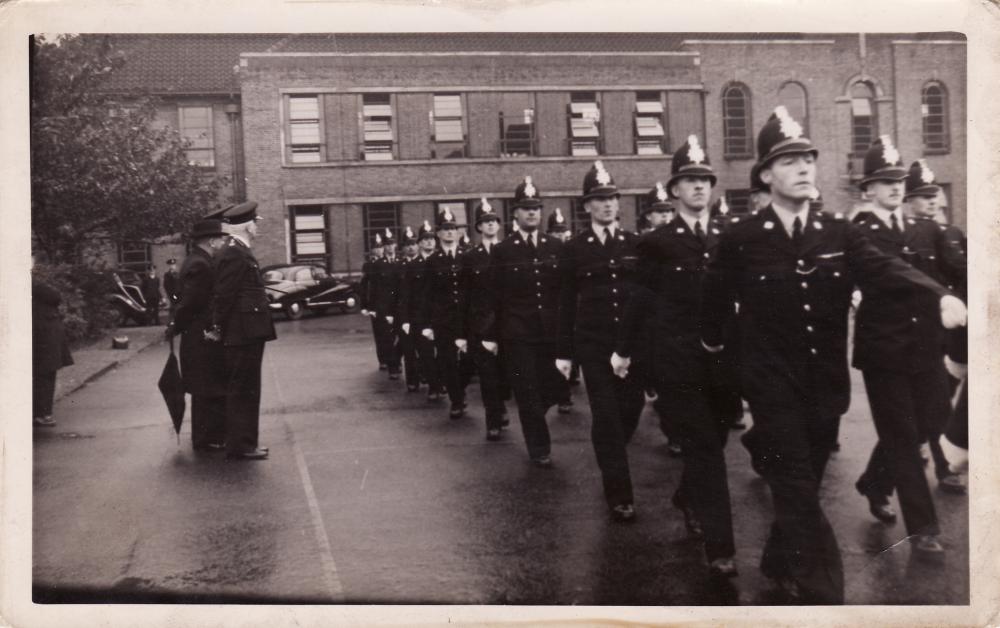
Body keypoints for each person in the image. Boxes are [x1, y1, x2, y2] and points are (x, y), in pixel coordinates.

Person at [700, 106, 967, 603]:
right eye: (788, 161)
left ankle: (779, 562)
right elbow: (713, 306)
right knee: (798, 486)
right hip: (769, 384)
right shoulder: (741, 237)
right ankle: (824, 595)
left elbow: (885, 269)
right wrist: (722, 362)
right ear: (764, 174)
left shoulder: (838, 233)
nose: (803, 168)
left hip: (824, 386)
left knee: (804, 480)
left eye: (808, 159)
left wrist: (940, 295)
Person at [612, 137, 740, 576]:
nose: (699, 188)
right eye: (690, 181)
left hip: (723, 362)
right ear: (676, 189)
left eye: (705, 180)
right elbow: (640, 301)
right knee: (706, 449)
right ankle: (721, 548)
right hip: (678, 362)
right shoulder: (658, 243)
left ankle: (688, 495)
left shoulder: (729, 238)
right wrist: (624, 351)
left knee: (719, 436)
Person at [851, 141, 969, 545]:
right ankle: (924, 529)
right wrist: (941, 296)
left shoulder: (925, 230)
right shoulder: (860, 233)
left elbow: (955, 269)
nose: (896, 188)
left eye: (899, 181)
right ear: (868, 189)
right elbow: (893, 273)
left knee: (932, 421)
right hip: (884, 349)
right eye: (885, 182)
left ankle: (872, 480)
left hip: (925, 345)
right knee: (902, 435)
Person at [556, 161, 644, 522]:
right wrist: (564, 352)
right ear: (587, 205)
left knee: (631, 410)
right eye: (599, 199)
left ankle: (610, 451)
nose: (607, 205)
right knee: (606, 416)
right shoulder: (575, 249)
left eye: (612, 198)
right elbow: (564, 302)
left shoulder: (635, 244)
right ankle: (620, 494)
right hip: (593, 344)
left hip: (632, 344)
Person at [479, 176, 564, 467]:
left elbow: (563, 291)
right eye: (526, 208)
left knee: (552, 388)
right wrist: (490, 334)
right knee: (527, 391)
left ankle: (535, 415)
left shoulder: (555, 246)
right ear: (515, 213)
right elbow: (493, 295)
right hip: (518, 333)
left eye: (536, 208)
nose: (532, 213)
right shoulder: (504, 250)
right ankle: (539, 448)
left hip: (550, 331)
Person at [207, 201, 277, 461]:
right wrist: (217, 327)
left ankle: (246, 442)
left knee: (246, 388)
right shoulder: (236, 253)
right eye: (255, 222)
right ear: (247, 225)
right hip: (242, 332)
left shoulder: (237, 251)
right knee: (243, 389)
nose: (258, 226)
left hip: (247, 330)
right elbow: (224, 294)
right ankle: (242, 445)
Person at [166, 220, 228, 451]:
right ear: (211, 241)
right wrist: (177, 326)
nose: (222, 243)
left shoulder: (196, 260)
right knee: (206, 386)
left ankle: (208, 437)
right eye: (220, 239)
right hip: (200, 335)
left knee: (204, 386)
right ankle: (207, 439)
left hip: (195, 333)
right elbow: (190, 302)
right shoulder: (201, 264)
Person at [457, 198, 509, 440]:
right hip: (481, 324)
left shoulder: (509, 251)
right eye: (485, 222)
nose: (490, 225)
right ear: (478, 227)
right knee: (488, 376)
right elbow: (465, 296)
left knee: (505, 373)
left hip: (507, 323)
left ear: (498, 225)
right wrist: (463, 333)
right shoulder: (470, 257)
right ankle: (493, 421)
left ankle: (501, 407)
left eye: (493, 221)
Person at [420, 207, 468, 419]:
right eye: (445, 229)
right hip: (443, 319)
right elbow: (427, 295)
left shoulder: (467, 257)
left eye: (453, 228)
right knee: (448, 361)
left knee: (469, 361)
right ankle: (456, 401)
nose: (449, 232)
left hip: (466, 317)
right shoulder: (432, 262)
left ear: (458, 232)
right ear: (438, 234)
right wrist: (428, 324)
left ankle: (461, 388)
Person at [399, 221, 445, 401]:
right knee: (426, 354)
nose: (429, 243)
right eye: (425, 240)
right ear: (419, 243)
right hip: (421, 316)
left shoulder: (443, 259)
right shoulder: (414, 266)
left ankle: (441, 383)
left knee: (443, 352)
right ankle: (433, 386)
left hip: (442, 315)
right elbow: (406, 295)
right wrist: (405, 320)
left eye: (431, 239)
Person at [32, 253, 74, 428]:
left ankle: (42, 413)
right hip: (44, 343)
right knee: (45, 378)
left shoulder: (35, 287)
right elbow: (55, 296)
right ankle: (42, 414)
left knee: (43, 377)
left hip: (43, 342)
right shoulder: (37, 286)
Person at [546, 207, 574, 414]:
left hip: (573, 309)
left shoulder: (573, 250)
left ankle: (566, 389)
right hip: (552, 311)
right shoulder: (546, 251)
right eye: (555, 231)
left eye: (562, 231)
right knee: (557, 354)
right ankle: (563, 396)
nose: (559, 235)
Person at [371, 228, 402, 380]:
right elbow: (374, 288)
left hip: (400, 305)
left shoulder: (401, 262)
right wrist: (375, 308)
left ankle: (397, 359)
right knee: (387, 338)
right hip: (384, 306)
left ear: (396, 245)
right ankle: (393, 367)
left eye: (392, 244)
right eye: (387, 245)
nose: (390, 247)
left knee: (402, 336)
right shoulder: (378, 265)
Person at [394, 226, 422, 391]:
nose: (411, 247)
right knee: (408, 348)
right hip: (403, 313)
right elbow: (394, 293)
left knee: (424, 347)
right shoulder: (399, 266)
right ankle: (412, 380)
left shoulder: (424, 263)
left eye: (413, 243)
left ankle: (425, 374)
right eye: (407, 244)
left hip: (421, 312)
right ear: (403, 248)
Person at [359, 234, 386, 370]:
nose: (379, 250)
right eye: (376, 247)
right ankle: (383, 359)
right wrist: (364, 305)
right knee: (379, 333)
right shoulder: (368, 265)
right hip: (375, 304)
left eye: (380, 247)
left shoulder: (390, 262)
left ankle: (394, 359)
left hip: (390, 304)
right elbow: (364, 286)